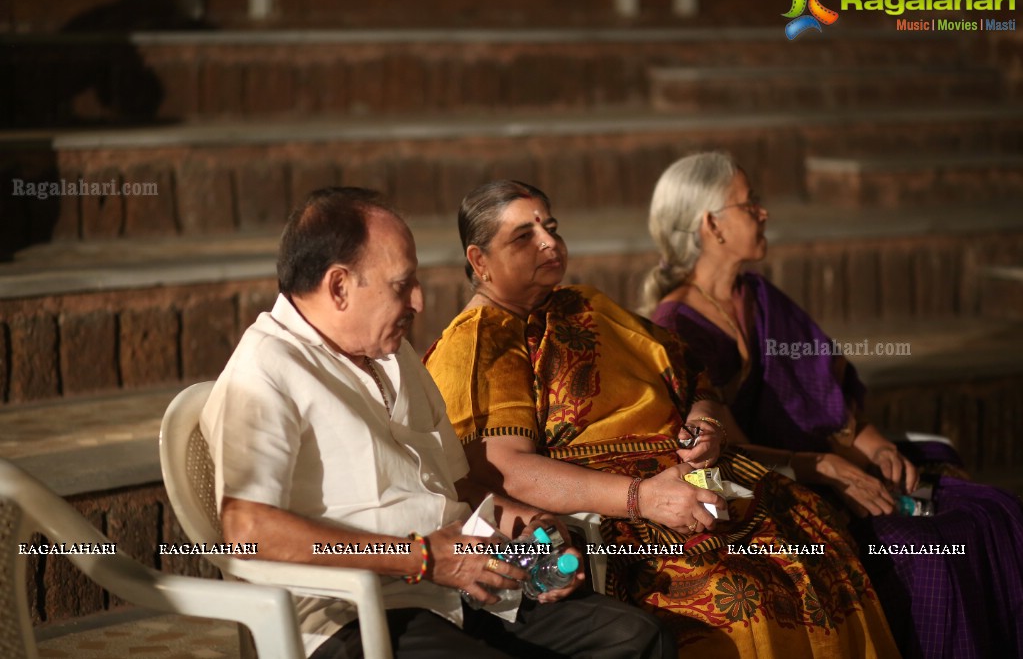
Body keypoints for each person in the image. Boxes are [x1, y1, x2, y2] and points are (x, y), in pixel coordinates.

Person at [423, 179, 900, 658]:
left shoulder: (588, 306)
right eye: (523, 237)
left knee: (819, 550)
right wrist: (641, 497)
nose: (549, 242)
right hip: (624, 520)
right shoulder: (479, 342)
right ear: (479, 261)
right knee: (740, 597)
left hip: (701, 483)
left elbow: (697, 383)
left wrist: (705, 424)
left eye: (550, 227)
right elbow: (507, 470)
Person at [201, 187, 675, 659]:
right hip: (356, 616)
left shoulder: (392, 355)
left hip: (463, 590)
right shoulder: (264, 371)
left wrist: (533, 526)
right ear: (339, 287)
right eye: (401, 285)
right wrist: (421, 558)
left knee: (636, 637)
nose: (420, 301)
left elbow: (459, 488)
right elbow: (248, 530)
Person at [643, 151, 1023, 659]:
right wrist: (825, 467)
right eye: (749, 202)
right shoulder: (678, 326)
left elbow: (826, 390)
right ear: (711, 225)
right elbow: (728, 454)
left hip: (835, 466)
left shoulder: (757, 296)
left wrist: (875, 444)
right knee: (931, 552)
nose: (763, 212)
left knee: (995, 512)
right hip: (777, 498)